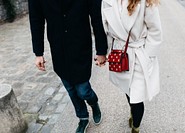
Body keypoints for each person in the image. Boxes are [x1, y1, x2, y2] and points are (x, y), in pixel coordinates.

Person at [28, 0, 108, 133]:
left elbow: (97, 16)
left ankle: (93, 102)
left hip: (80, 45)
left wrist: (101, 50)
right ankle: (82, 118)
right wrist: (38, 53)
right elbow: (36, 20)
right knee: (71, 89)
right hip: (58, 48)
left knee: (83, 90)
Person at [101, 0, 162, 132]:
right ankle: (133, 113)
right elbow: (105, 27)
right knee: (128, 90)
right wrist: (106, 52)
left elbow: (155, 30)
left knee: (137, 98)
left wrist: (148, 56)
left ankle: (136, 127)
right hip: (119, 54)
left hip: (138, 54)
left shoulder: (144, 2)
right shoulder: (108, 1)